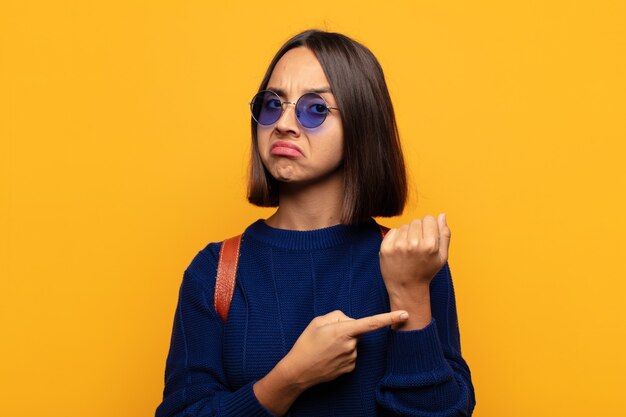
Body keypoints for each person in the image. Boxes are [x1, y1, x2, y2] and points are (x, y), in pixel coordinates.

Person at [155, 29, 476, 417]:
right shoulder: (216, 270)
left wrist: (409, 292)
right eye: (273, 104)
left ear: (360, 123)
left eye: (315, 109)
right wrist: (290, 378)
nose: (284, 124)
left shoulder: (411, 261)